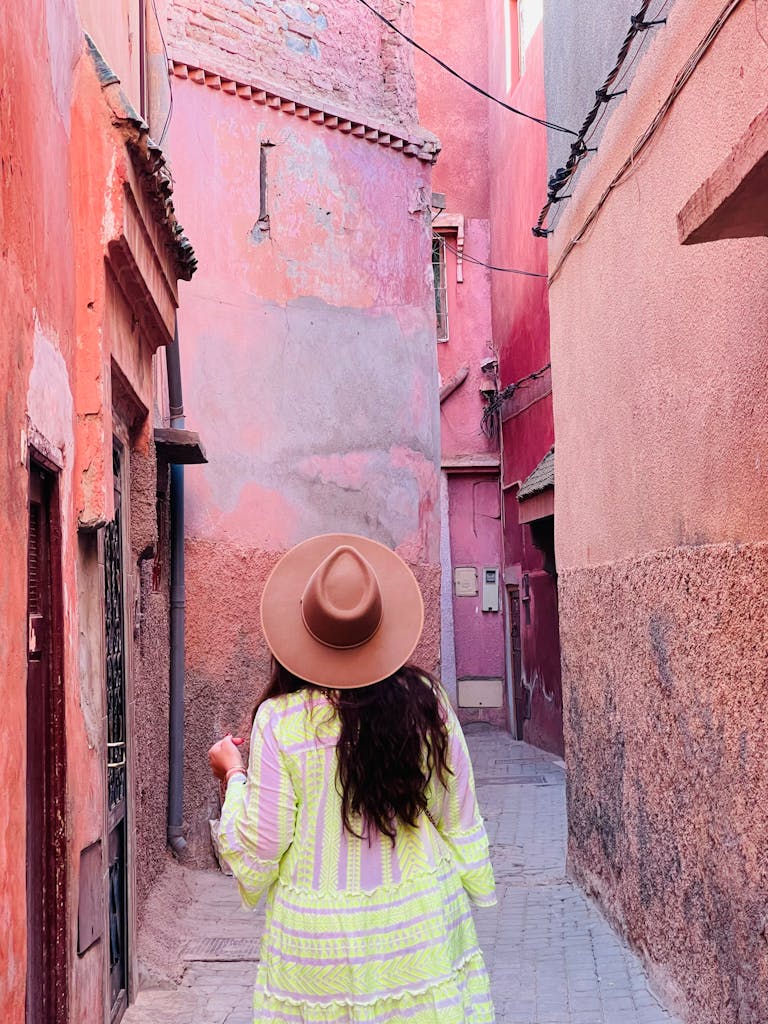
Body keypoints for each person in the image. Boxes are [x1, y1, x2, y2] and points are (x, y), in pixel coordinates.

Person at [208, 533, 496, 1023]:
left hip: (317, 943)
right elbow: (457, 811)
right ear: (380, 630)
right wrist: (476, 879)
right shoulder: (426, 703)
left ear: (302, 634)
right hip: (418, 925)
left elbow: (262, 844)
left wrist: (233, 776)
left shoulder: (280, 720)